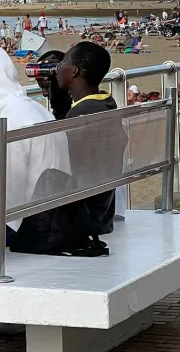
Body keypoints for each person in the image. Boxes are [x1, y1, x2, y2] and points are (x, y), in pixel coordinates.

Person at [0, 43, 71, 246]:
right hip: (53, 213)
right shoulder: (35, 110)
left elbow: (7, 195)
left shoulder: (10, 121)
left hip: (24, 223)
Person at [54, 42, 126, 238]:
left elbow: (70, 166)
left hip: (86, 217)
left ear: (75, 70)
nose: (57, 69)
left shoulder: (82, 114)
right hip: (104, 211)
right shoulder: (105, 103)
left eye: (63, 63)